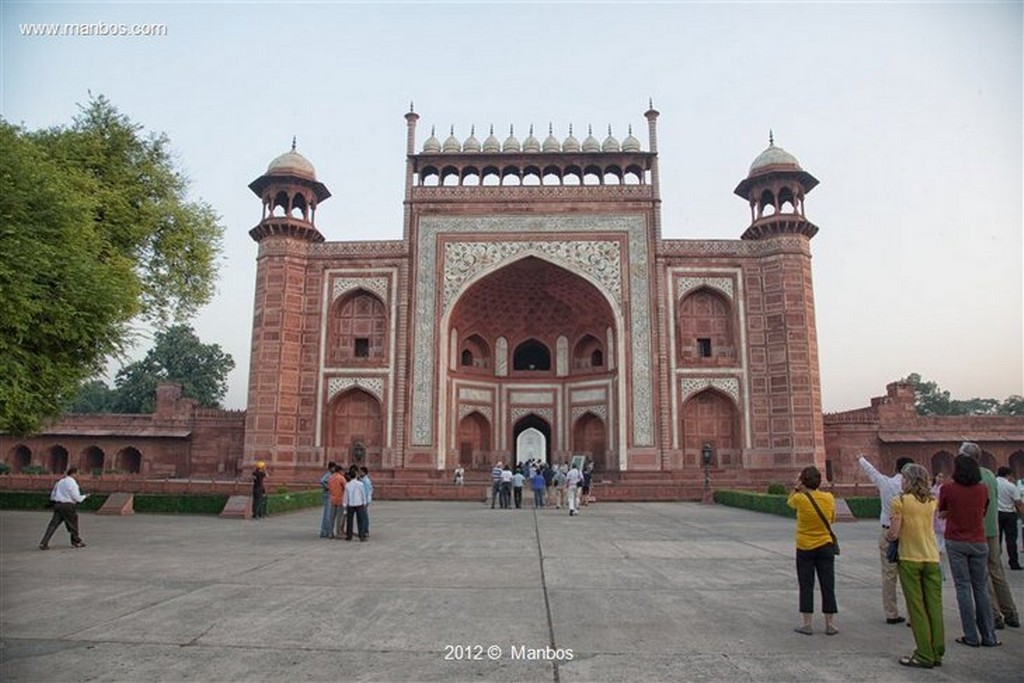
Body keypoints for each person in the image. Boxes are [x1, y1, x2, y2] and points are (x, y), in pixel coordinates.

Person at [939, 453, 999, 647]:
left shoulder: (948, 488)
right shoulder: (983, 489)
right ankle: (989, 636)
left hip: (956, 541)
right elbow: (984, 511)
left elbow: (942, 513)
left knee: (963, 588)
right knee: (981, 588)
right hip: (978, 540)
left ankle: (971, 636)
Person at [888, 463, 944, 668]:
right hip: (932, 557)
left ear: (909, 480)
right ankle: (937, 652)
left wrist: (889, 536)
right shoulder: (932, 501)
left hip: (910, 559)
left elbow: (894, 533)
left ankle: (923, 654)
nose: (901, 481)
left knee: (917, 608)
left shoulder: (900, 501)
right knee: (934, 607)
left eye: (904, 478)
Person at [959, 442, 1020, 629]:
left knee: (981, 575)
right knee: (997, 571)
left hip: (977, 531)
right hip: (992, 530)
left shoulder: (970, 477)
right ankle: (1011, 613)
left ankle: (993, 615)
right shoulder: (989, 475)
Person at [858, 454, 914, 624]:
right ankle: (914, 615)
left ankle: (891, 613)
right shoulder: (914, 490)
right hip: (909, 533)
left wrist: (860, 459)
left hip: (888, 532)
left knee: (889, 575)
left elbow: (872, 472)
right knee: (910, 574)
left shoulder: (886, 483)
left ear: (896, 468)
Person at [786, 466, 838, 636]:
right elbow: (832, 519)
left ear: (803, 481)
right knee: (828, 585)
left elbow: (789, 502)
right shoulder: (829, 498)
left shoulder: (800, 499)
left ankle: (807, 624)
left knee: (806, 585)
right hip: (825, 545)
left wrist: (796, 487)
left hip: (805, 547)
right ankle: (830, 624)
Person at [39, 466, 89, 550]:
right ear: (74, 473)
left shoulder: (60, 482)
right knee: (73, 524)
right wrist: (84, 497)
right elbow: (76, 497)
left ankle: (44, 542)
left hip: (58, 505)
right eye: (78, 473)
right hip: (68, 505)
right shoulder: (72, 483)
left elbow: (53, 495)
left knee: (53, 525)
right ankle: (76, 542)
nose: (78, 475)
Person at [995, 467, 1022, 570]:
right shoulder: (1010, 486)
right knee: (1011, 540)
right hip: (1009, 514)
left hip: (997, 514)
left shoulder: (994, 484)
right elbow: (1018, 502)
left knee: (997, 540)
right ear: (1008, 475)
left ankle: (996, 563)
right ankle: (1013, 563)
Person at [343, 471, 368, 541]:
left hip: (351, 504)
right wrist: (364, 502)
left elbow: (345, 496)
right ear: (356, 476)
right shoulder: (360, 484)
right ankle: (362, 536)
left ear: (350, 477)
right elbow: (363, 494)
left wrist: (344, 505)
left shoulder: (347, 485)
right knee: (360, 520)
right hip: (359, 504)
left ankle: (349, 536)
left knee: (349, 521)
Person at [931, 473, 948, 581]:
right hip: (934, 514)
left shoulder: (944, 488)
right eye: (938, 476)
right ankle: (939, 548)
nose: (940, 478)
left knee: (943, 533)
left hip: (942, 514)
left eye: (942, 476)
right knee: (937, 534)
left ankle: (942, 548)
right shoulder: (932, 488)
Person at [326, 465, 346, 538]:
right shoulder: (341, 478)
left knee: (332, 517)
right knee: (339, 517)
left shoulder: (330, 478)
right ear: (340, 471)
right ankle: (338, 532)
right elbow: (345, 487)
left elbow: (328, 487)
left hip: (332, 499)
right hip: (340, 499)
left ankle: (330, 533)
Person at [319, 461, 337, 538]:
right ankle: (325, 531)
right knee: (328, 514)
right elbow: (322, 481)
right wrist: (328, 487)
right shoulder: (328, 475)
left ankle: (325, 531)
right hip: (328, 496)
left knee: (328, 514)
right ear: (331, 468)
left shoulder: (331, 475)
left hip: (329, 495)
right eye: (333, 467)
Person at [360, 466, 373, 537]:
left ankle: (365, 530)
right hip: (364, 500)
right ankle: (364, 529)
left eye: (361, 472)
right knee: (364, 515)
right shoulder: (363, 480)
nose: (359, 473)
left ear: (364, 472)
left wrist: (366, 501)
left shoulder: (366, 481)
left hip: (365, 500)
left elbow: (367, 492)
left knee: (364, 516)